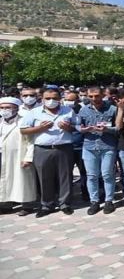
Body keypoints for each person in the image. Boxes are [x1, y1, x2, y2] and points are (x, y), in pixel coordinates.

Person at [20, 88, 76, 218]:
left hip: (64, 148)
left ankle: (65, 204)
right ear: (42, 99)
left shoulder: (68, 111)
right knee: (44, 178)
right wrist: (40, 128)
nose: (51, 101)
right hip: (42, 149)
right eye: (48, 98)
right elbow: (23, 130)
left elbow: (77, 127)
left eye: (55, 98)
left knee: (65, 177)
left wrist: (68, 127)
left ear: (60, 98)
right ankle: (47, 205)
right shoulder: (34, 112)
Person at [77, 87, 119, 215]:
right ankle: (94, 201)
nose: (94, 99)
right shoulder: (83, 110)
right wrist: (84, 129)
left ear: (102, 95)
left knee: (107, 174)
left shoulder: (112, 109)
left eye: (97, 96)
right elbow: (78, 126)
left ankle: (109, 201)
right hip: (89, 146)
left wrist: (106, 130)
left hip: (107, 146)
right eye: (91, 96)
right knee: (92, 176)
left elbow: (118, 128)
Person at [0, 97, 37, 215]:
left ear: (16, 108)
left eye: (7, 107)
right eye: (1, 108)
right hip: (3, 155)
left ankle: (27, 206)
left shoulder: (23, 122)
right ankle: (5, 205)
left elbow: (31, 141)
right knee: (5, 180)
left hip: (20, 156)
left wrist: (28, 157)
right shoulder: (1, 122)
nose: (4, 110)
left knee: (23, 181)